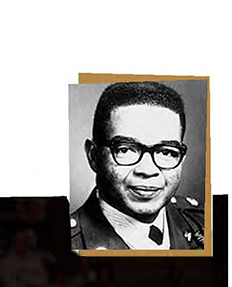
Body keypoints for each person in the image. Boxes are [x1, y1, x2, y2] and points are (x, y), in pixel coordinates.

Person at [71, 81, 205, 250]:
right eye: (126, 149)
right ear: (94, 156)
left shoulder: (206, 222)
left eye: (166, 152)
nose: (147, 171)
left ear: (181, 159)